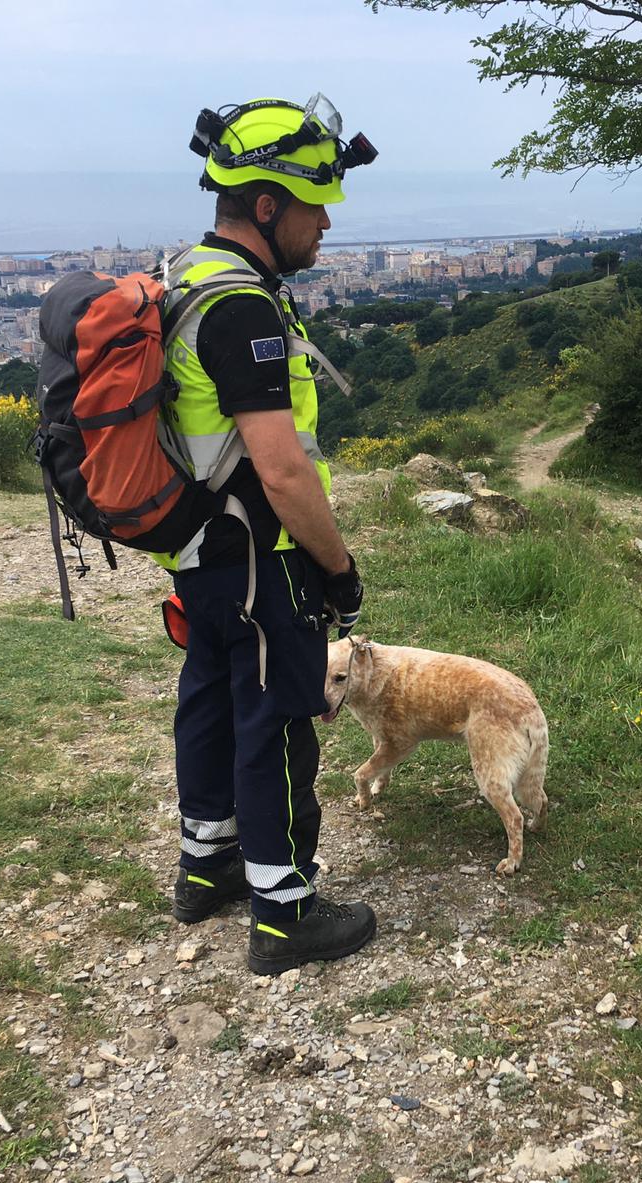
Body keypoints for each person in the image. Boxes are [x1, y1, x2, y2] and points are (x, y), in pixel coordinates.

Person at [158, 95, 379, 975]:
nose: (325, 223)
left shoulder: (187, 277)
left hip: (203, 553)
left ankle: (206, 868)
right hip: (262, 556)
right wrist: (340, 568)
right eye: (313, 204)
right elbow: (282, 469)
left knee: (210, 699)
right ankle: (286, 912)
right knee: (279, 717)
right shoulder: (244, 309)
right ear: (264, 205)